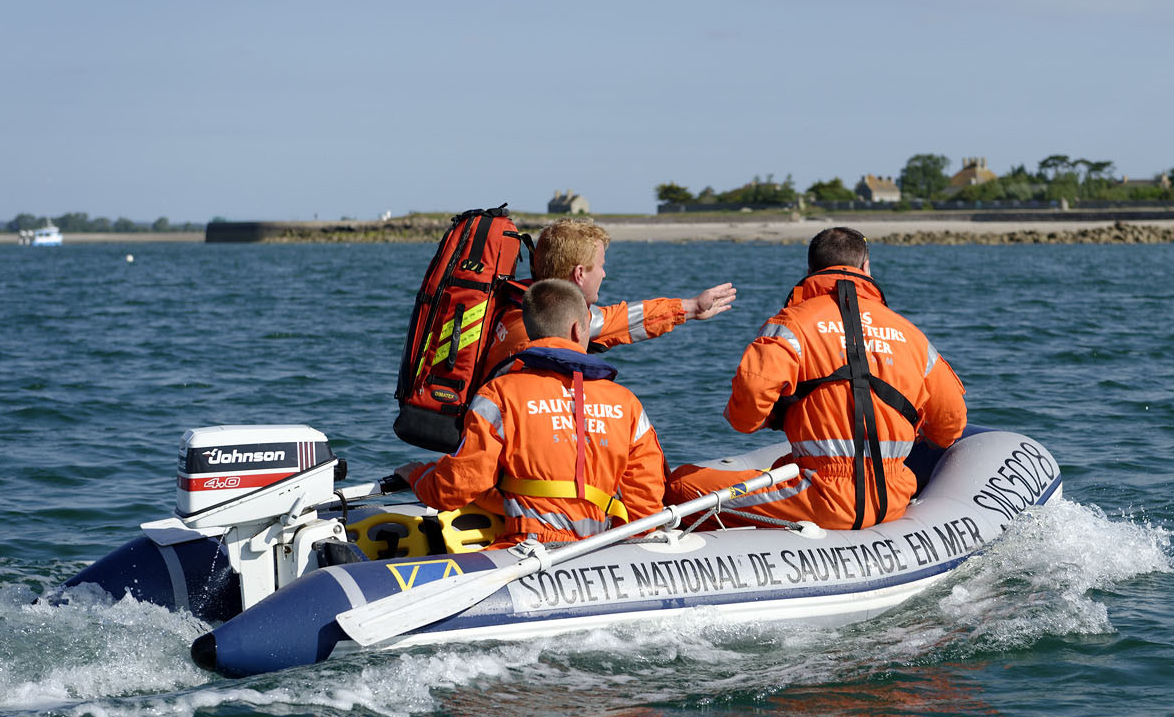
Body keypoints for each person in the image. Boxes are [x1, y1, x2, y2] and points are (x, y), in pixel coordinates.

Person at [666, 227, 966, 530]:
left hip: (821, 496)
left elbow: (744, 419)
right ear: (866, 268)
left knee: (680, 486)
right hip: (891, 496)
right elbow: (949, 426)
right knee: (785, 466)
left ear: (810, 271)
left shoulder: (789, 325)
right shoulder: (911, 334)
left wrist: (777, 414)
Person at [397, 279, 666, 545]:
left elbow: (457, 487)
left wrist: (418, 477)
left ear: (530, 329)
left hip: (528, 545)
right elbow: (645, 505)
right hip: (599, 550)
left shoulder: (499, 395)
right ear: (578, 329)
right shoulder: (626, 403)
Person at [480, 218, 736, 372]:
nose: (604, 274)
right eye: (601, 266)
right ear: (580, 274)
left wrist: (692, 307)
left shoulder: (522, 307)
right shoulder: (546, 331)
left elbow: (622, 319)